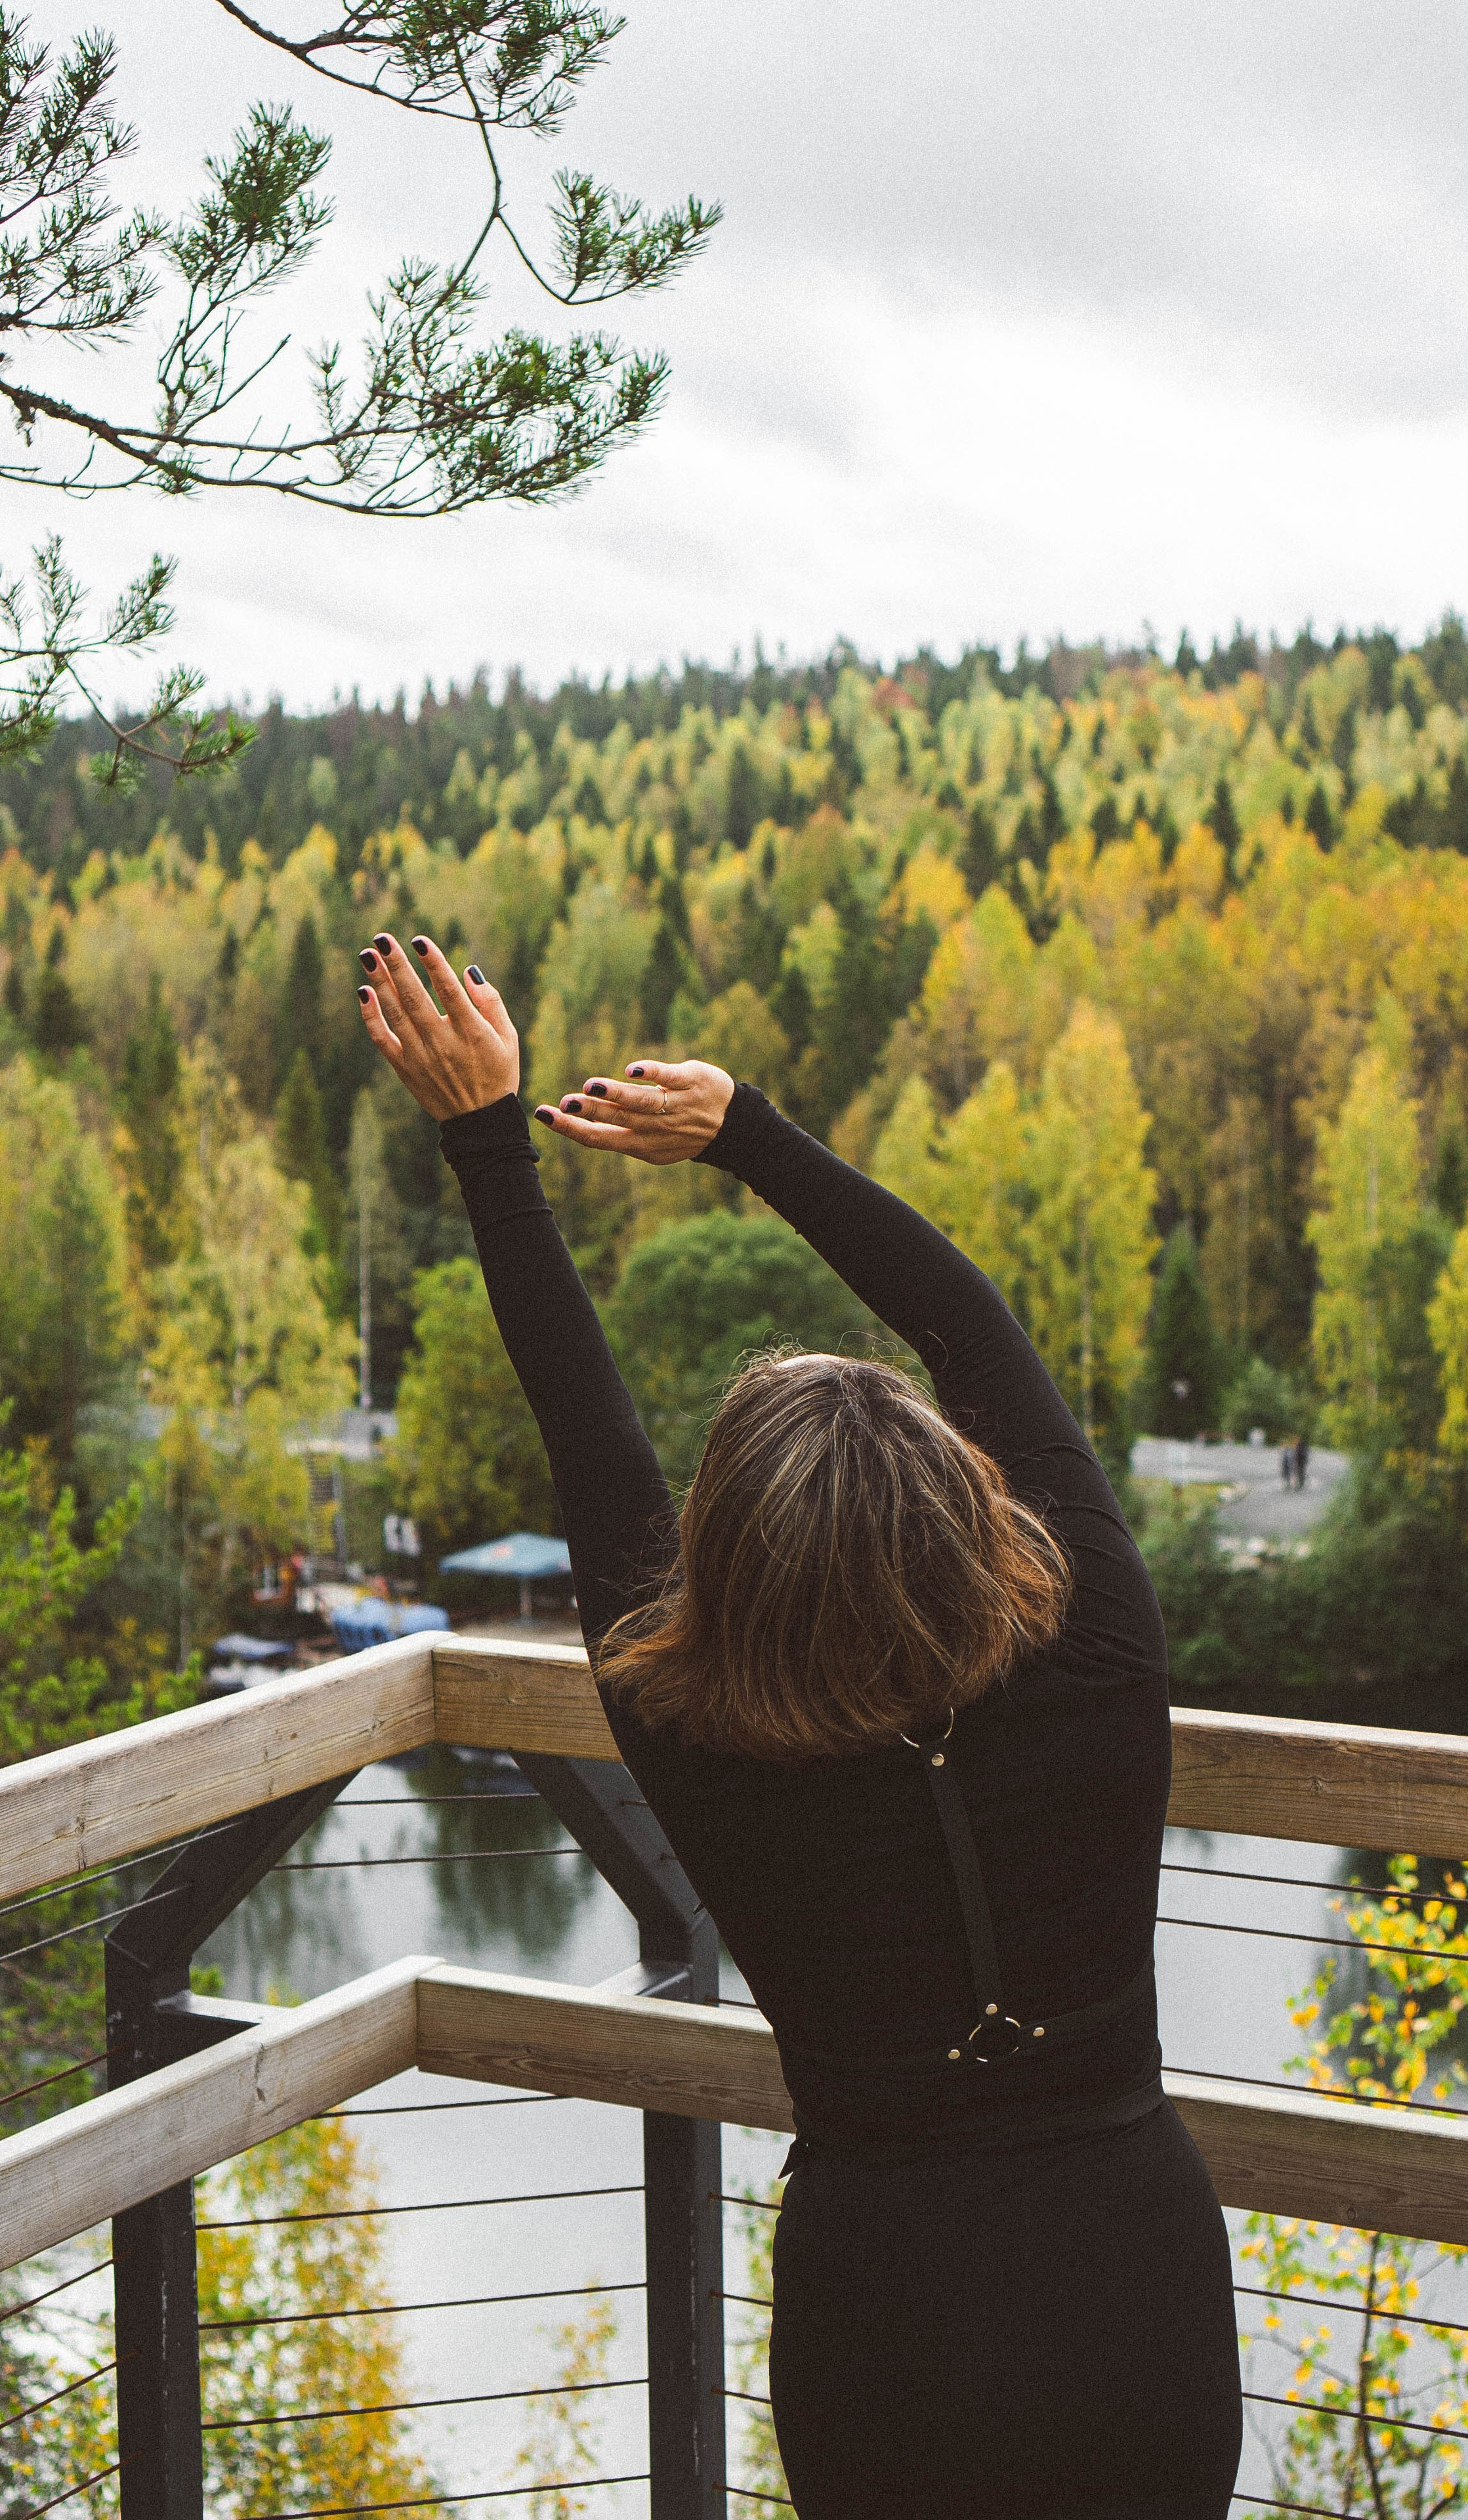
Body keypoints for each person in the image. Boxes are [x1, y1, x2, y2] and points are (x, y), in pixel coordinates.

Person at [355, 932, 1242, 2520]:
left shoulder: (700, 1742)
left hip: (883, 2296)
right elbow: (976, 1333)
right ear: (969, 1502)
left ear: (728, 1558)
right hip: (1134, 2274)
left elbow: (587, 1429)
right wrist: (747, 1134)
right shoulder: (1100, 1650)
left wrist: (487, 1142)